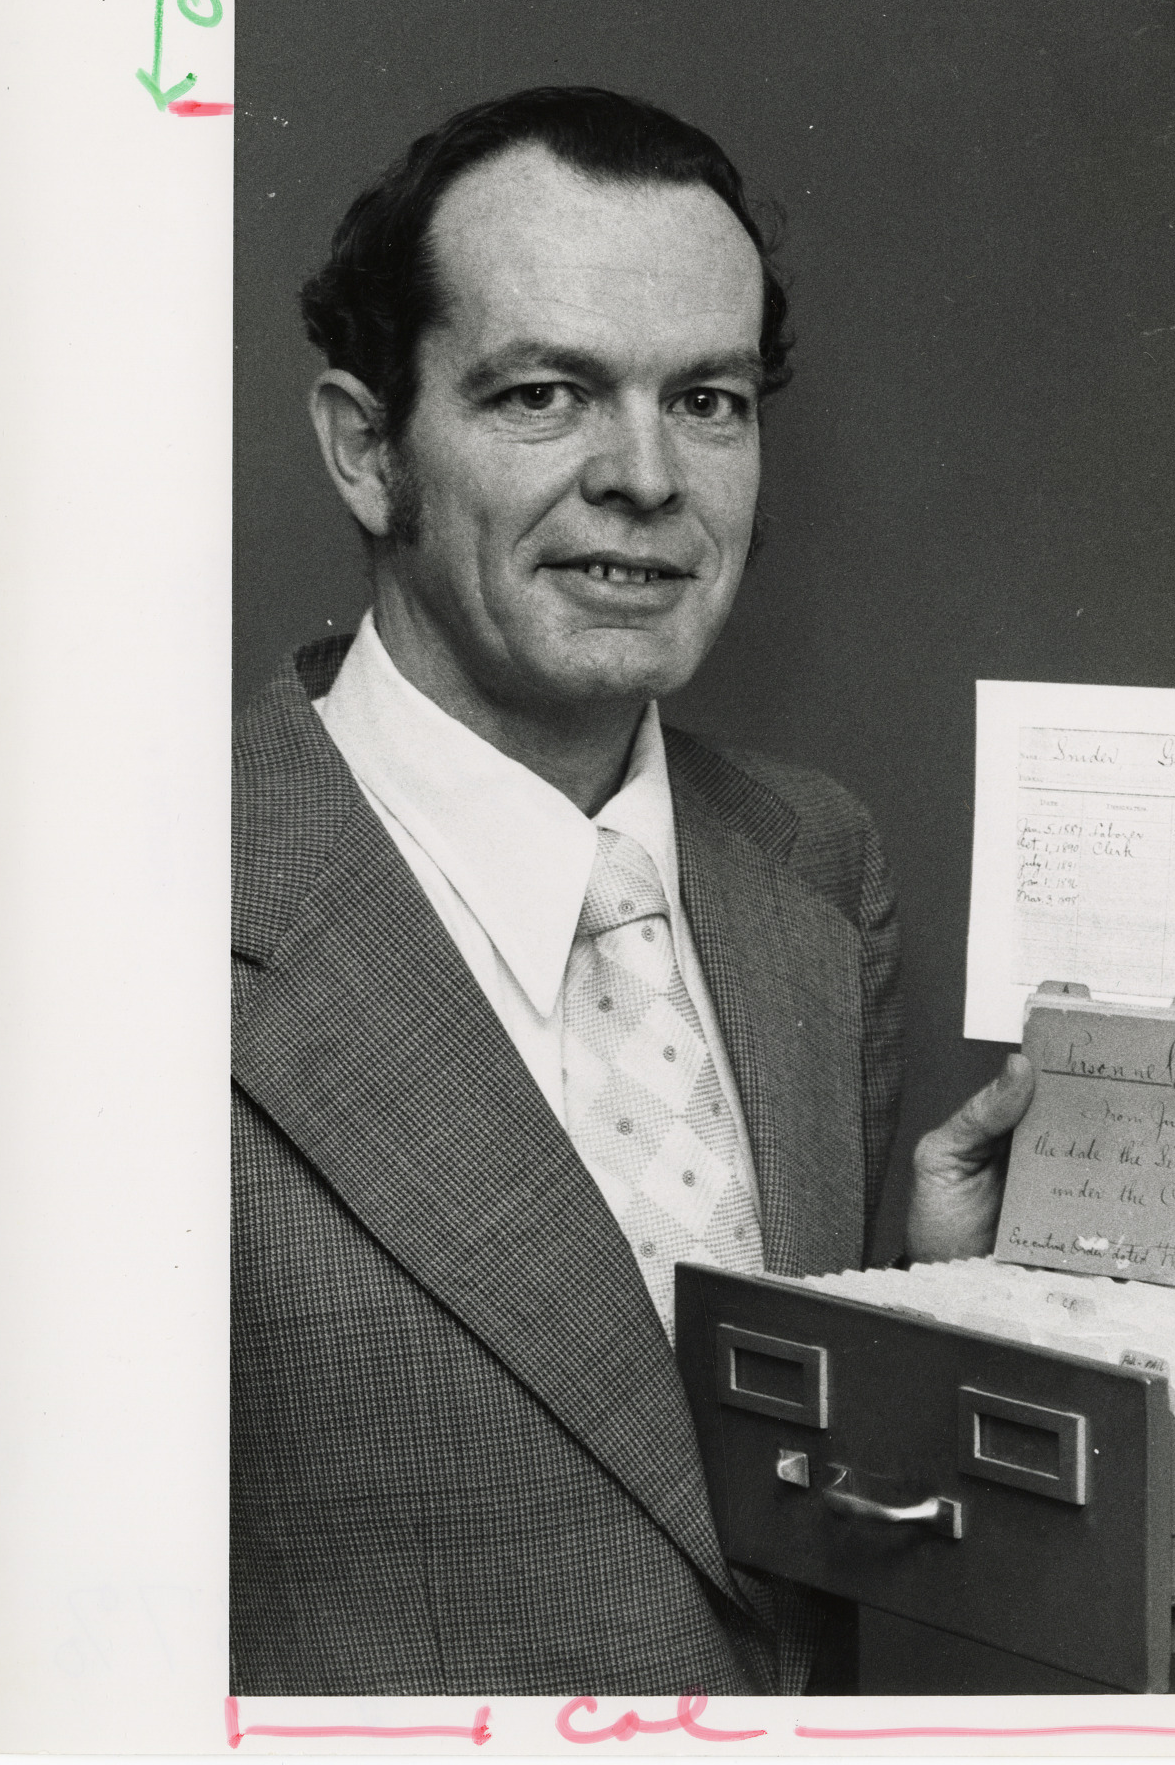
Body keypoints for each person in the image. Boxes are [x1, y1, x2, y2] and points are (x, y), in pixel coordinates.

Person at [231, 87, 1035, 1698]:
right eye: (545, 394)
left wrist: (952, 1307)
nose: (649, 478)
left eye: (709, 401)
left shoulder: (814, 863)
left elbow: (757, 1523)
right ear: (367, 449)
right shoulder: (108, 903)